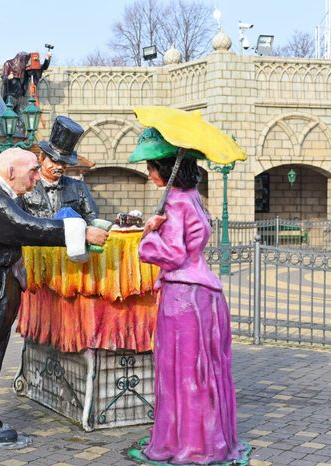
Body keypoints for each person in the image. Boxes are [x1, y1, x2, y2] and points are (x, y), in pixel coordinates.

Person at [0, 148, 109, 447]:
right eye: (31, 170)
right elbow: (30, 228)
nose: (36, 176)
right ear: (10, 171)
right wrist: (82, 232)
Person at [129, 128, 246, 464]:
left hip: (183, 297)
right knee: (203, 371)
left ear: (167, 169)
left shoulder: (177, 202)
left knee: (182, 372)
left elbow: (172, 253)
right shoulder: (194, 197)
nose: (149, 173)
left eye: (152, 167)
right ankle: (207, 440)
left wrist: (148, 236)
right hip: (205, 295)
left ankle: (189, 445)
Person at [19, 116, 99, 223]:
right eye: (54, 161)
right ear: (41, 157)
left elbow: (92, 217)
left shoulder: (78, 187)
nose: (60, 167)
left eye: (64, 163)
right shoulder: (25, 187)